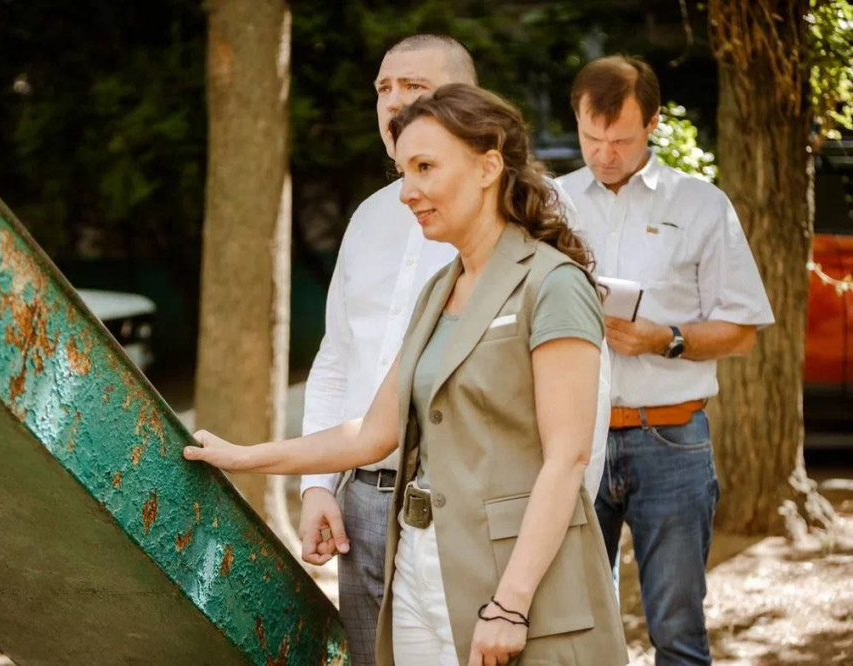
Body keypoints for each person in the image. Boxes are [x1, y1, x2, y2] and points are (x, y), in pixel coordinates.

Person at [186, 84, 628, 666]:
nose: (407, 192)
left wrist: (510, 605)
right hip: (417, 568)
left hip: (509, 578)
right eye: (402, 172)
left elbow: (567, 458)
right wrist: (246, 457)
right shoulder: (439, 291)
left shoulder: (554, 284)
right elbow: (372, 434)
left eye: (424, 168)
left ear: (488, 166)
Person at [298, 34, 610, 665]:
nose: (393, 102)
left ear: (464, 100)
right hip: (362, 508)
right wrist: (316, 487)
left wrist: (548, 544)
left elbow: (585, 407)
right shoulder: (367, 219)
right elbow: (337, 360)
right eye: (383, 88)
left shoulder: (535, 221)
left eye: (414, 86)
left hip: (481, 518)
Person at [557, 56, 774, 666]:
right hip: (572, 441)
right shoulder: (550, 202)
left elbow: (743, 332)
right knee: (572, 633)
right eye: (591, 138)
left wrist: (665, 339)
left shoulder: (702, 204)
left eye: (621, 140)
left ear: (653, 123)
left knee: (677, 634)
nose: (604, 155)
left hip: (673, 440)